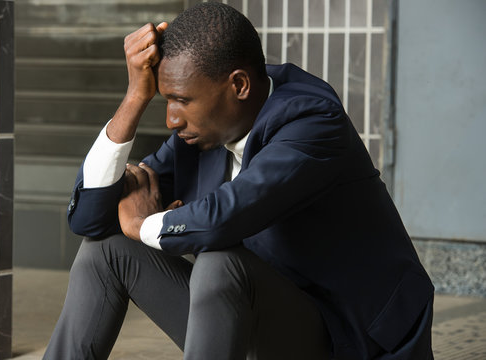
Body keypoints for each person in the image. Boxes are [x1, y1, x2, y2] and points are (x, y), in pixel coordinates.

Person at [44, 3, 434, 359]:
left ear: (239, 86)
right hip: (253, 324)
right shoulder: (202, 133)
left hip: (351, 337)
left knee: (219, 262)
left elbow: (224, 218)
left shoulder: (313, 122)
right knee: (105, 251)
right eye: (165, 100)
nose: (171, 120)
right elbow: (89, 221)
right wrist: (133, 98)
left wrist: (141, 224)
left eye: (182, 100)